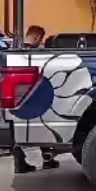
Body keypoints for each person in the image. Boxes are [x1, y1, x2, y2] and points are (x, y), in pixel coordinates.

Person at [21, 25, 59, 171]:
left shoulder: (15, 51)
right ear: (37, 37)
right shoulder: (38, 54)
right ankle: (48, 159)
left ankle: (19, 161)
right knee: (43, 128)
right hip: (36, 95)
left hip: (18, 96)